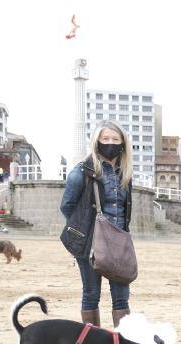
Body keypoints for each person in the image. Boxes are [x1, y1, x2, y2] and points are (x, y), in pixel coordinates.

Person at [60, 120, 135, 328]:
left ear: (123, 143)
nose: (110, 143)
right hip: (90, 243)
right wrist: (85, 232)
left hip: (119, 243)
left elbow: (124, 208)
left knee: (122, 297)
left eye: (115, 139)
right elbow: (67, 206)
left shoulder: (125, 173)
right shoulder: (82, 171)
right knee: (92, 294)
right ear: (96, 141)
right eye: (105, 139)